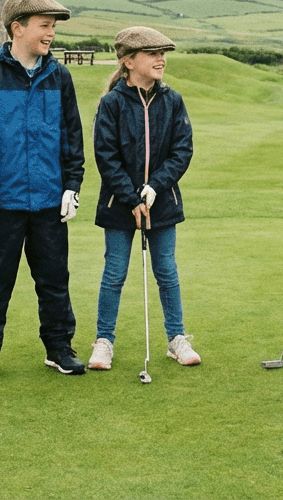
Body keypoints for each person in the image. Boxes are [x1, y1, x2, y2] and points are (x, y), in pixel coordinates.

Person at [0, 0, 87, 380]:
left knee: (54, 280)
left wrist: (73, 186)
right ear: (18, 27)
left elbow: (72, 137)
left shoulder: (59, 76)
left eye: (52, 27)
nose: (50, 34)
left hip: (50, 199)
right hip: (3, 200)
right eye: (44, 26)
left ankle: (60, 348)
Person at [87, 26, 200, 371]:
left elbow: (182, 150)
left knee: (166, 271)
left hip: (162, 200)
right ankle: (104, 341)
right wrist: (132, 196)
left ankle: (176, 338)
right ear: (128, 61)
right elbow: (106, 156)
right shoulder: (112, 103)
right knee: (115, 272)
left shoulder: (172, 100)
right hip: (119, 203)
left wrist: (156, 186)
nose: (161, 59)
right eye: (152, 54)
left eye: (162, 53)